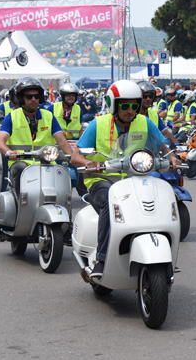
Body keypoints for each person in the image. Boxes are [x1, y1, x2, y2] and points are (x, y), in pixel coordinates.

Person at [75, 80, 177, 282]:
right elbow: (75, 156)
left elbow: (162, 146)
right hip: (102, 179)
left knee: (161, 197)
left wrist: (172, 157)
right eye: (125, 106)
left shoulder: (145, 122)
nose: (130, 111)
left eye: (133, 106)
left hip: (135, 179)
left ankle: (164, 255)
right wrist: (89, 163)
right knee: (108, 202)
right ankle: (101, 260)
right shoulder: (98, 123)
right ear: (114, 105)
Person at [0, 77, 77, 192]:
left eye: (36, 96)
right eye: (29, 97)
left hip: (47, 161)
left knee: (62, 181)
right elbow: (0, 142)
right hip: (21, 162)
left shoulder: (48, 116)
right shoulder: (12, 117)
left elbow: (61, 141)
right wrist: (9, 152)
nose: (33, 99)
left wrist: (73, 157)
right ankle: (20, 204)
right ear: (21, 98)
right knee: (20, 169)